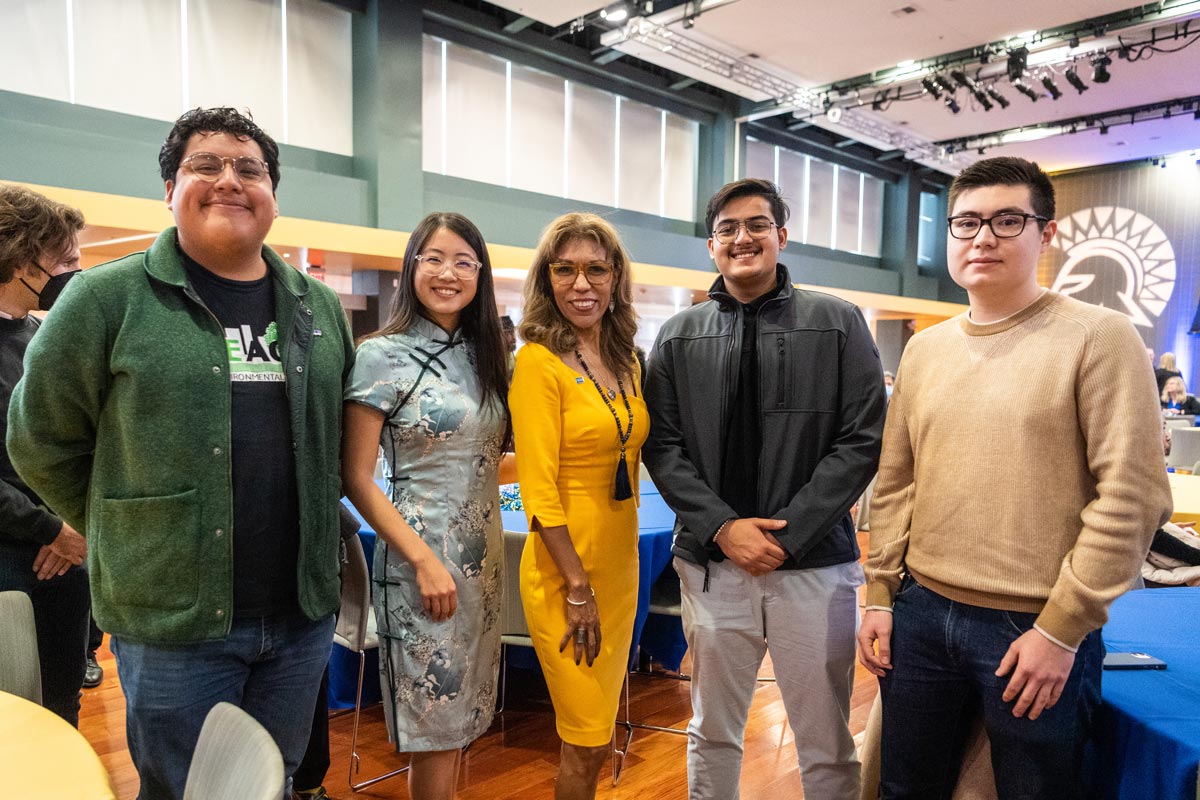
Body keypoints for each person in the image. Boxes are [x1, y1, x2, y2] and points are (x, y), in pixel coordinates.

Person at [8, 108, 355, 800]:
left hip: (299, 612)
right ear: (170, 187)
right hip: (172, 622)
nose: (229, 179)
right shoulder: (105, 299)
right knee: (183, 788)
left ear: (273, 196)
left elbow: (336, 443)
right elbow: (39, 440)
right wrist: (124, 526)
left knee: (271, 780)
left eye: (249, 168)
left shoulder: (317, 307)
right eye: (206, 165)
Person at [857, 156, 1172, 799]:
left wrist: (1062, 628)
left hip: (1032, 624)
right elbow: (895, 481)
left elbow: (1133, 498)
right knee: (904, 790)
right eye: (967, 222)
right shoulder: (926, 348)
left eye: (1007, 220)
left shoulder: (1099, 337)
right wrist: (881, 595)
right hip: (920, 613)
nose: (983, 238)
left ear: (1045, 233)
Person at [644, 178, 885, 800]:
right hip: (713, 566)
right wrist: (723, 528)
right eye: (727, 228)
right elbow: (662, 447)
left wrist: (789, 534)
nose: (741, 238)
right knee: (711, 730)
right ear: (711, 245)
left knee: (825, 737)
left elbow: (862, 439)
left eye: (756, 225)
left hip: (813, 564)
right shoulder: (675, 335)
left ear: (782, 234)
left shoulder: (837, 322)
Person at [342, 212, 511, 800]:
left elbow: (488, 458)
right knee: (435, 720)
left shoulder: (486, 355)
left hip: (482, 563)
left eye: (464, 261)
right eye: (434, 258)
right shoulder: (380, 355)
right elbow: (357, 477)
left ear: (481, 275)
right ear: (411, 266)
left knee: (465, 714)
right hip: (422, 561)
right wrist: (420, 559)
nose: (448, 273)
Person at [509, 212, 646, 800]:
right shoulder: (537, 363)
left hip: (620, 566)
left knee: (599, 736)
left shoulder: (627, 361)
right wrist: (576, 587)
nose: (581, 284)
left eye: (596, 269)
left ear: (616, 279)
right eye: (565, 270)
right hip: (566, 575)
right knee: (585, 739)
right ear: (547, 280)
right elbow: (538, 493)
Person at [0, 183, 89, 726]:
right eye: (62, 260)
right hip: (13, 552)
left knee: (62, 701)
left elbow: (88, 440)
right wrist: (48, 528)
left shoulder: (44, 335)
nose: (70, 274)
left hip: (65, 550)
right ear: (18, 254)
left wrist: (72, 526)